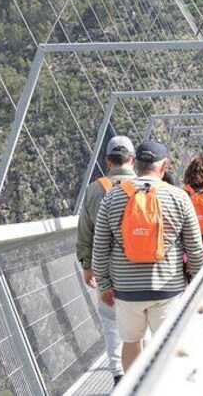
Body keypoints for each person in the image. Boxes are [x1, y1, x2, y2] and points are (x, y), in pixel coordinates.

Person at [92, 141, 203, 373]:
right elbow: (194, 248)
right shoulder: (179, 197)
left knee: (132, 342)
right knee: (165, 345)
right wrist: (196, 281)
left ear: (136, 163)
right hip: (167, 288)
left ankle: (133, 389)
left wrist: (104, 285)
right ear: (164, 166)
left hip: (126, 289)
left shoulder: (112, 198)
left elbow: (100, 247)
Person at [76, 135, 136, 386]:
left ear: (107, 161)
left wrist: (87, 266)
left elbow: (85, 232)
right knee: (140, 319)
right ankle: (145, 372)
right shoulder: (147, 186)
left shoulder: (94, 189)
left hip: (106, 271)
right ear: (132, 159)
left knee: (112, 323)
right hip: (139, 269)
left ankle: (118, 376)